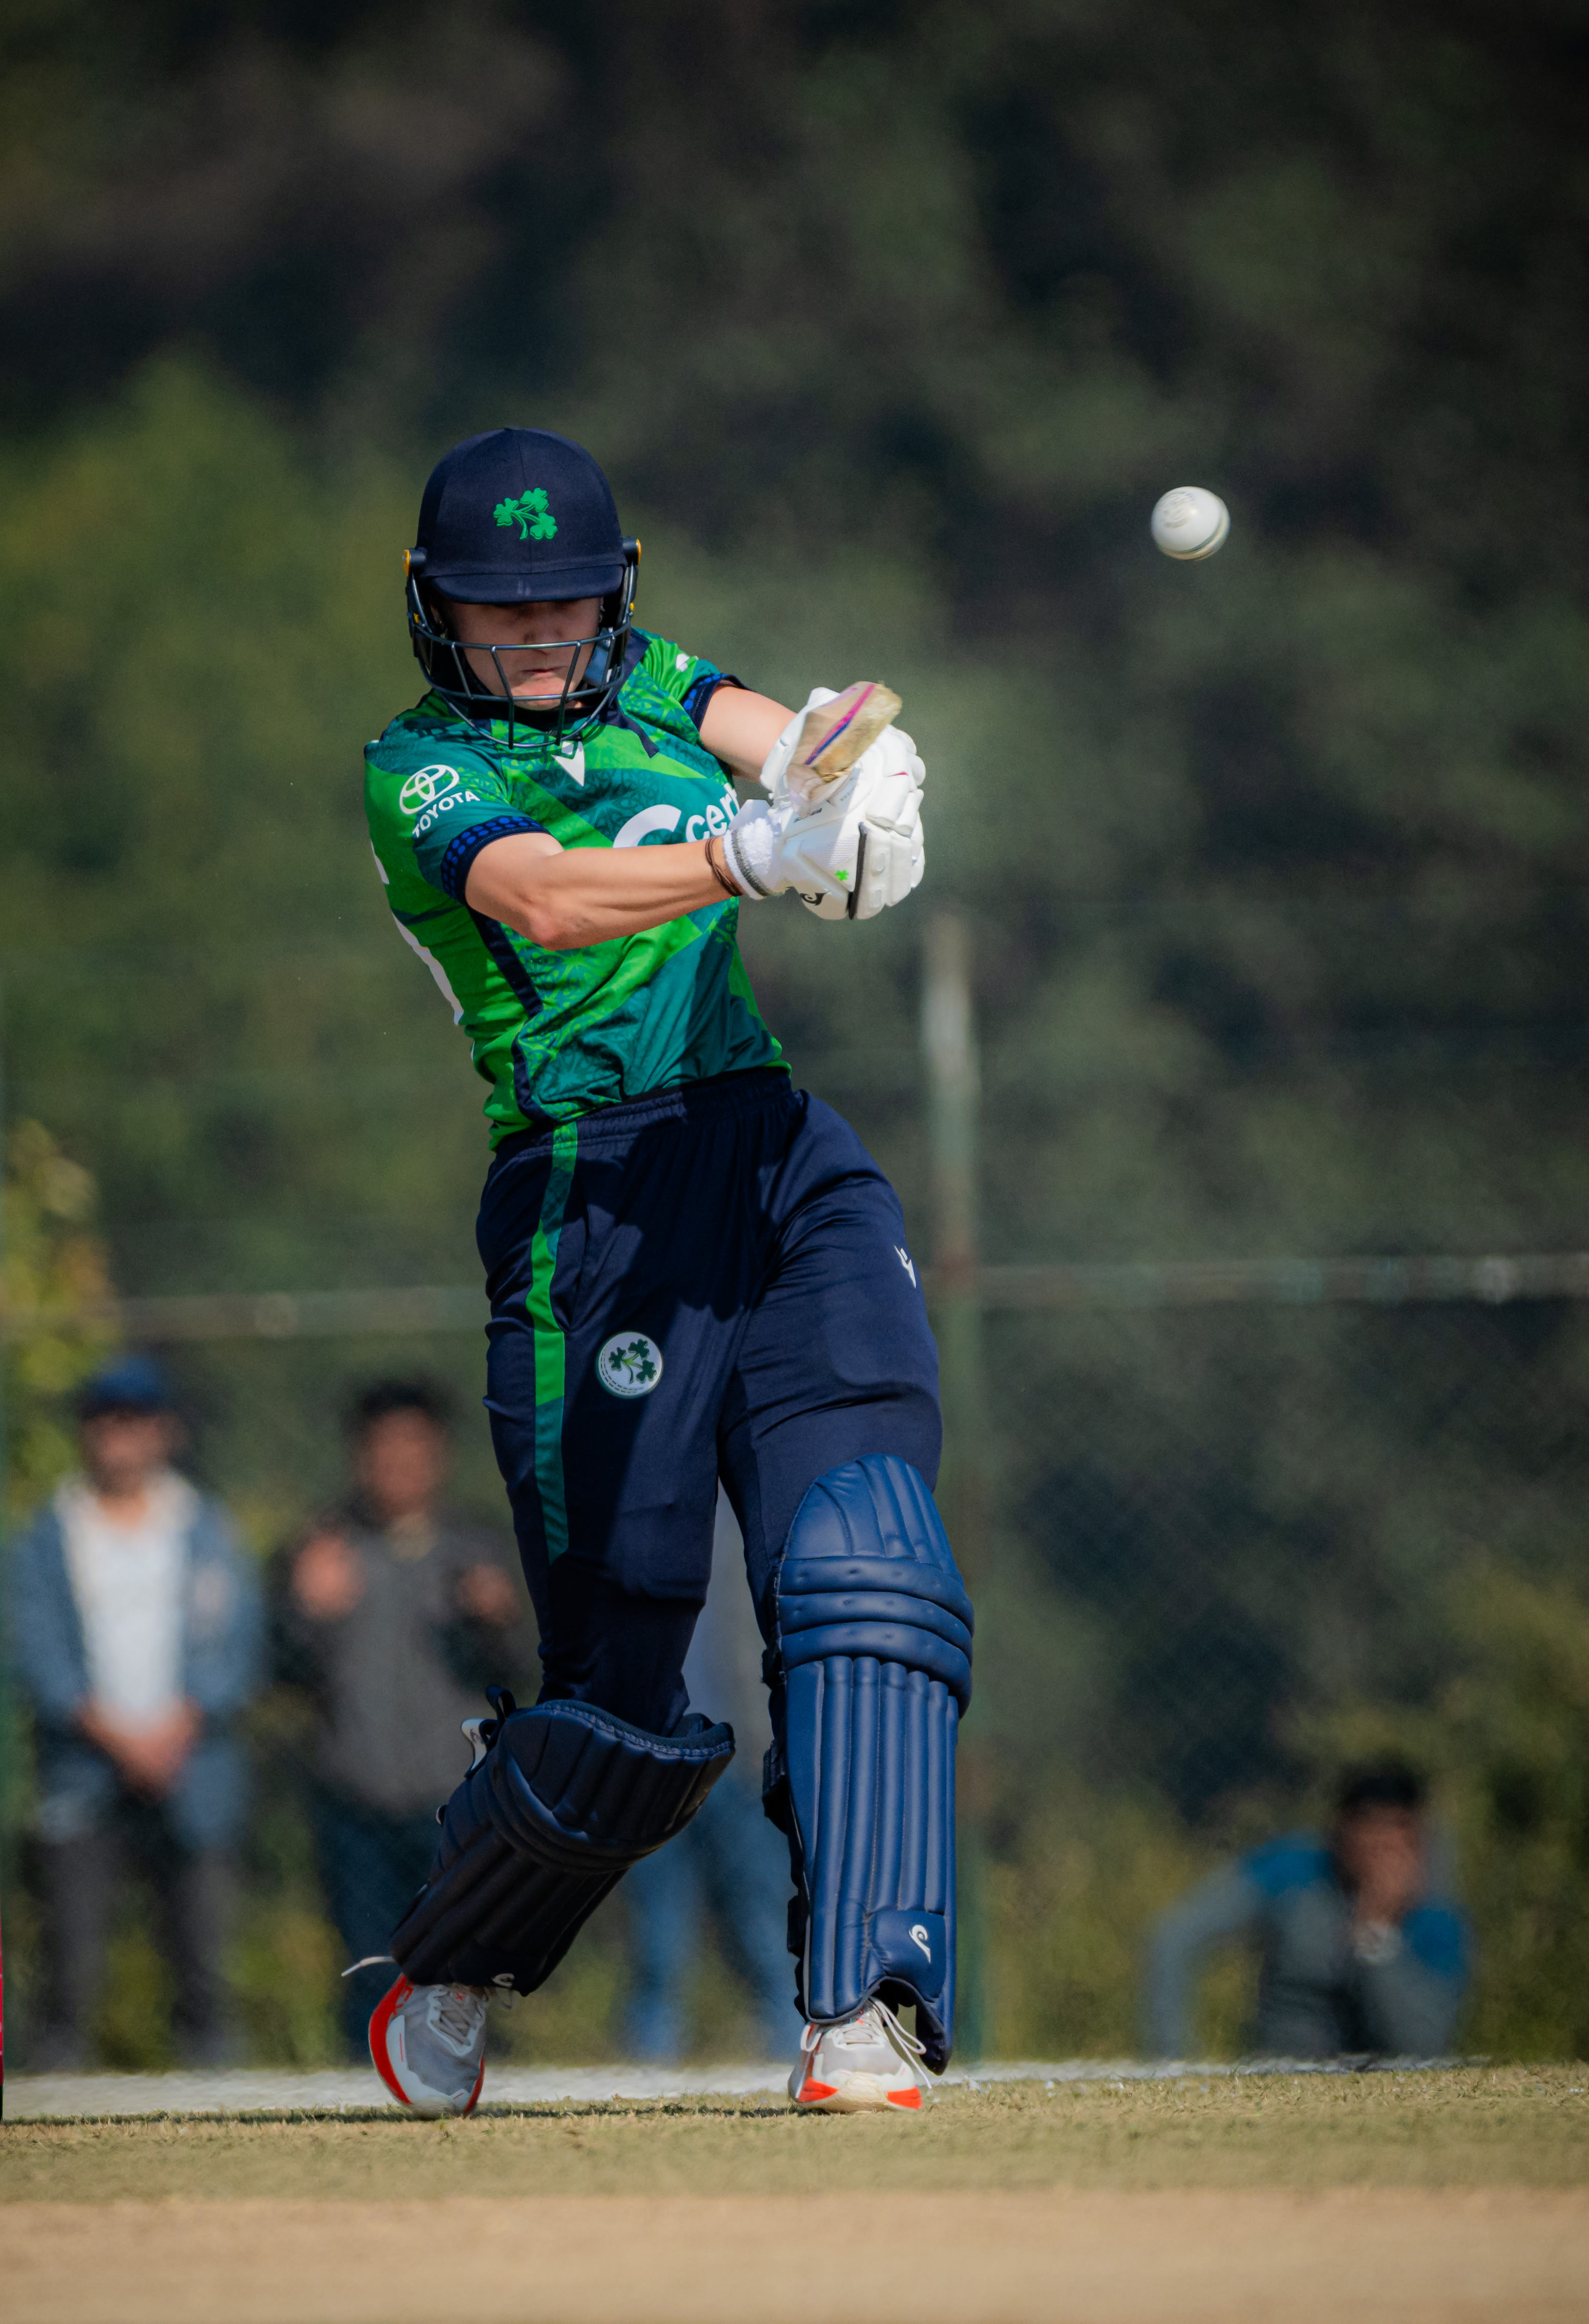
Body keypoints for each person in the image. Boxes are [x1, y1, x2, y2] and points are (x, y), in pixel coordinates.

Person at [358, 426, 969, 2117]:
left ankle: (867, 2001)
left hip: (771, 1154)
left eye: (566, 602)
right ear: (434, 608)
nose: (538, 635)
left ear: (614, 593)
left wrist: (869, 789)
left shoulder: (659, 679)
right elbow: (544, 898)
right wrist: (745, 858)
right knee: (624, 1692)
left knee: (865, 1563)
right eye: (500, 609)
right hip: (590, 1200)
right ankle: (456, 1947)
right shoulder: (417, 767)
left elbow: (803, 742)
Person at [10, 1355, 263, 2069]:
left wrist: (178, 1724)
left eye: (136, 1421)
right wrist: (113, 1733)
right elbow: (36, 1648)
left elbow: (237, 1641)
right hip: (83, 1770)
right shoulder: (49, 1534)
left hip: (192, 1767)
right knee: (70, 1959)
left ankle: (215, 2096)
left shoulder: (206, 1528)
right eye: (107, 1421)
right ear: (86, 1432)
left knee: (204, 1962)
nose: (121, 1437)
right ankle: (53, 2100)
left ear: (164, 1431)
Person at [272, 1378, 528, 2051]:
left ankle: (479, 2088)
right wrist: (306, 1612)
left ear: (440, 1454)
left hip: (457, 1805)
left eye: (414, 1444)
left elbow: (522, 1670)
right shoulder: (321, 1548)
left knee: (465, 1973)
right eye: (383, 1446)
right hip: (354, 1798)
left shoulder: (479, 1547)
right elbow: (280, 1672)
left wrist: (497, 1620)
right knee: (371, 1970)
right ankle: (370, 2086)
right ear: (358, 1455)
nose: (398, 1461)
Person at [617, 1495, 801, 2063]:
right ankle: (649, 2061)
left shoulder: (752, 1507)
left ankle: (793, 2047)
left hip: (739, 1753)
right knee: (659, 1934)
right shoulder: (629, 1506)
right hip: (650, 1755)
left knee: (764, 1921)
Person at [1145, 1762, 1469, 2060]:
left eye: (1397, 1831)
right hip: (1283, 2073)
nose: (1382, 1848)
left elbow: (1422, 2045)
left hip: (1385, 2081)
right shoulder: (1293, 1873)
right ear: (1341, 1830)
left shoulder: (1435, 1913)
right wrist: (1172, 2060)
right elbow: (1175, 1938)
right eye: (1370, 1826)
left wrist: (1376, 1931)